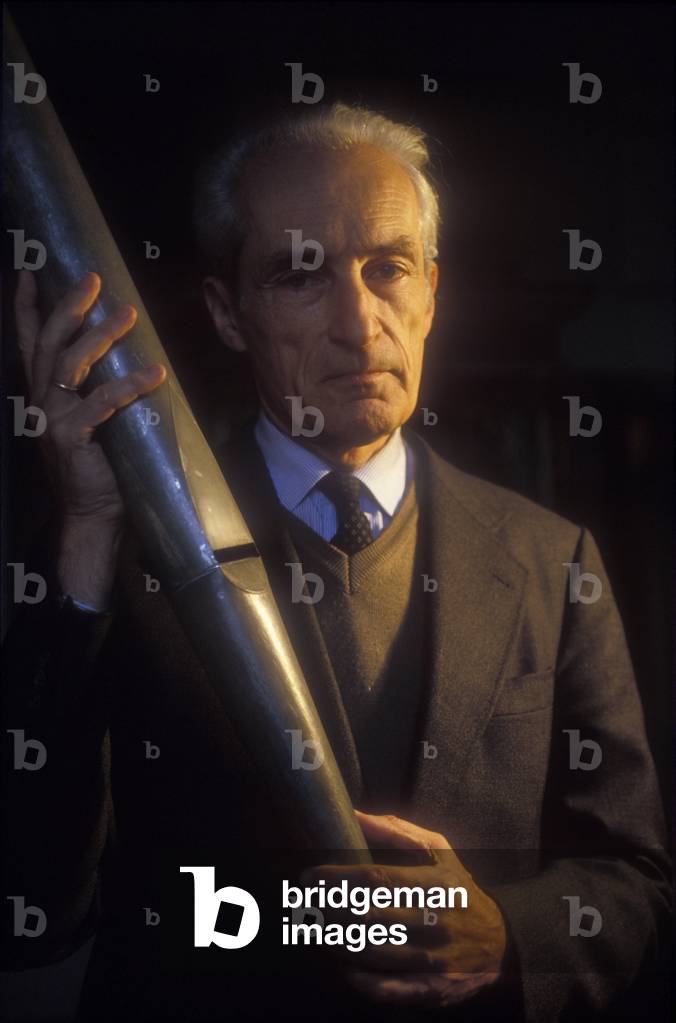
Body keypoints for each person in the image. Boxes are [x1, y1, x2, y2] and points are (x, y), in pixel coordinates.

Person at [2, 103, 670, 1022]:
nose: (360, 324)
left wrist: (511, 936)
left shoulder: (553, 559)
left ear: (432, 291)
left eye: (388, 268)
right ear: (228, 313)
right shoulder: (112, 548)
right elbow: (29, 899)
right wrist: (84, 528)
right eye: (301, 276)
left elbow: (634, 878)